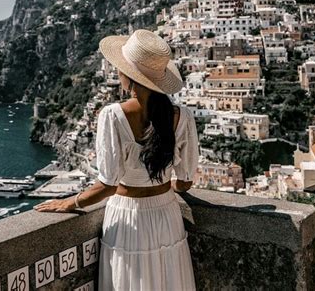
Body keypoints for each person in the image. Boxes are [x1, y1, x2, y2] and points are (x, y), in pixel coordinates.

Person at [34, 29, 199, 290]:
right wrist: (164, 186)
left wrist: (69, 203)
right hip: (167, 214)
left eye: (120, 68)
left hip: (128, 217)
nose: (117, 72)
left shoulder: (112, 115)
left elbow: (108, 184)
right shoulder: (183, 116)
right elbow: (186, 182)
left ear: (129, 76)